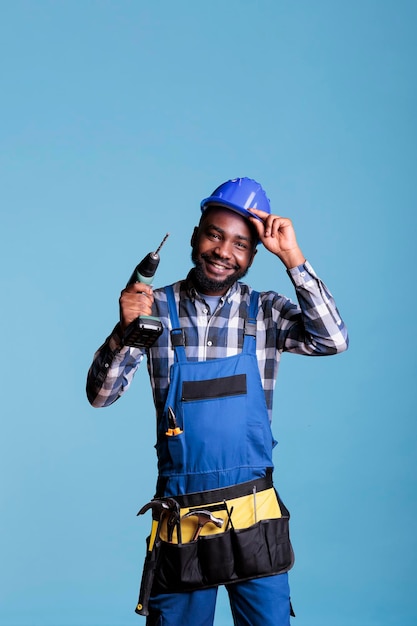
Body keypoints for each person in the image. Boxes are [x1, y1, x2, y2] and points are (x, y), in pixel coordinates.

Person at [86, 177, 348, 626]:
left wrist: (293, 258)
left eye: (241, 244)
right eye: (214, 234)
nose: (224, 251)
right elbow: (101, 396)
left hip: (254, 522)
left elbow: (333, 339)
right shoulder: (154, 309)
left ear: (253, 254)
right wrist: (122, 330)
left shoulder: (266, 312)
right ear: (195, 236)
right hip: (182, 524)